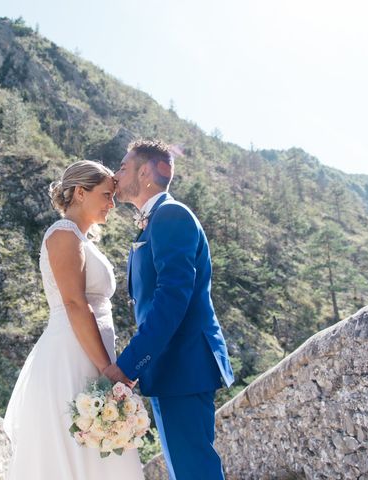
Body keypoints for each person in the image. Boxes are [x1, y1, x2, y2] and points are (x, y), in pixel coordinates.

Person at [3, 160, 144, 479]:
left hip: (92, 355)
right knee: (73, 452)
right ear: (80, 192)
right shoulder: (63, 234)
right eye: (107, 195)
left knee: (98, 454)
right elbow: (75, 304)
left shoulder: (83, 240)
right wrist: (108, 369)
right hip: (72, 356)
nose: (112, 203)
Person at [104, 139, 235, 480]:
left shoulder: (171, 216)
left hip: (184, 364)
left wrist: (128, 365)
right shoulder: (155, 221)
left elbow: (171, 300)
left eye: (122, 167)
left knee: (195, 472)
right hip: (170, 368)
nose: (116, 176)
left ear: (145, 172)